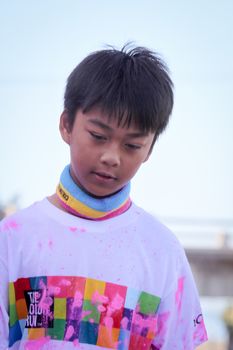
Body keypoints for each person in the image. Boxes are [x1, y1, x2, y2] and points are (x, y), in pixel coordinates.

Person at [0, 45, 208, 349]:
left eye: (132, 145)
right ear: (66, 125)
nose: (112, 157)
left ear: (149, 149)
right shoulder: (12, 239)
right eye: (98, 136)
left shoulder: (163, 251)